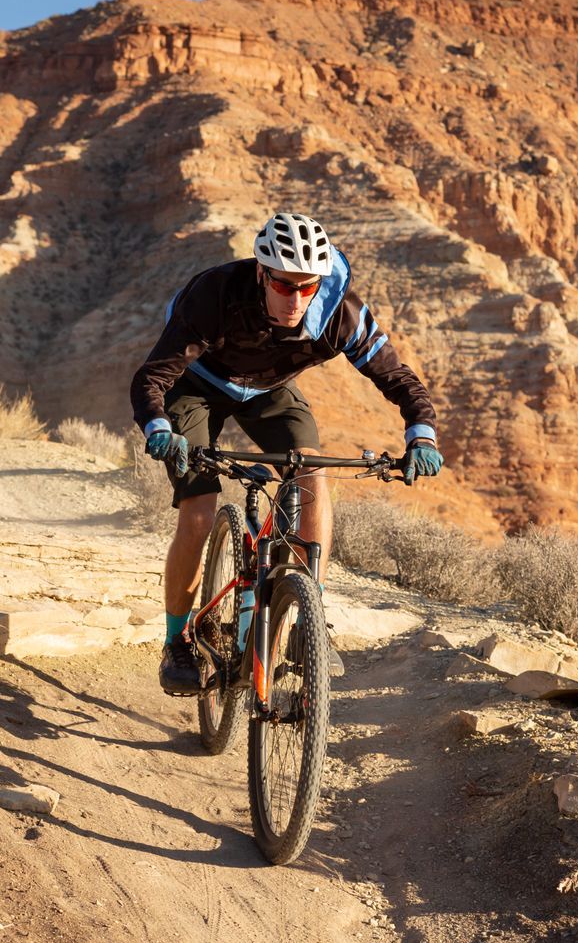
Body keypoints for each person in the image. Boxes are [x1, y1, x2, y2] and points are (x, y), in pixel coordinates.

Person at [129, 212, 445, 695]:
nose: (296, 298)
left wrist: (421, 434)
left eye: (307, 287)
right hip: (196, 387)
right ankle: (177, 641)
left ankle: (307, 624)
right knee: (198, 510)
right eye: (284, 285)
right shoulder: (215, 295)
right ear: (261, 273)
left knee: (312, 475)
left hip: (268, 393)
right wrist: (158, 427)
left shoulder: (340, 312)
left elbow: (397, 377)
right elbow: (153, 377)